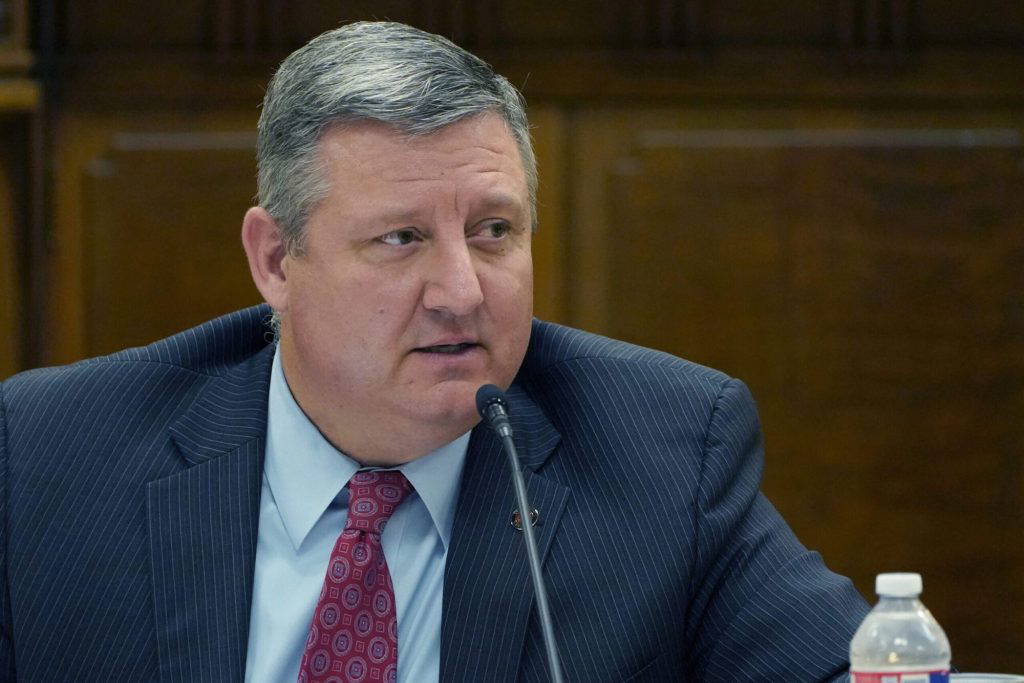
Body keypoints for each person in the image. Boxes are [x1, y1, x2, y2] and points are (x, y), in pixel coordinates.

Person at [0, 21, 869, 683]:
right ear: (275, 260)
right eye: (401, 238)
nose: (461, 291)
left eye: (493, 231)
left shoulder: (664, 453)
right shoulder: (48, 456)